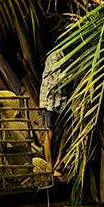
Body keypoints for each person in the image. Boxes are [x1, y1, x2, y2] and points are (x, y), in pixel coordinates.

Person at [38, 49, 66, 179]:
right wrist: (78, 72)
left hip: (63, 100)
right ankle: (49, 166)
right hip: (49, 100)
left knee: (67, 129)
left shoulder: (69, 56)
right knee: (49, 132)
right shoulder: (54, 57)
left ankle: (59, 163)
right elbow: (60, 78)